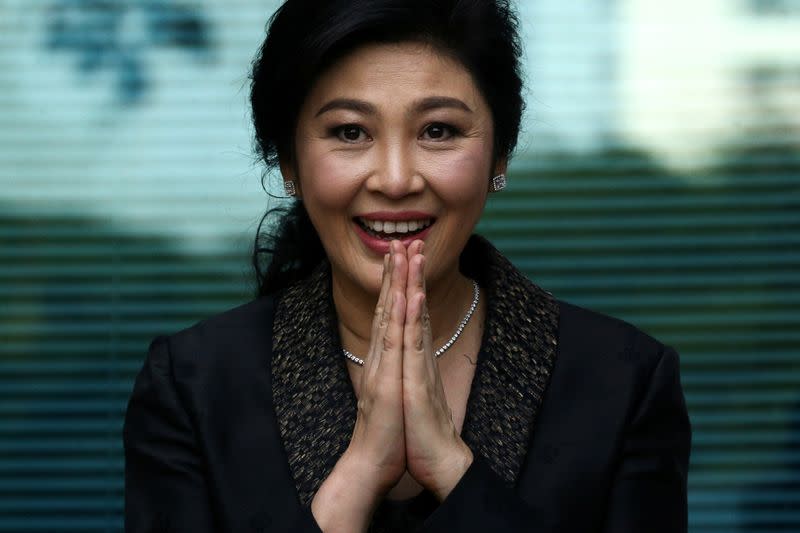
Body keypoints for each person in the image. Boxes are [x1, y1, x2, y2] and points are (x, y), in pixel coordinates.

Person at [123, 0, 691, 531]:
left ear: (500, 154)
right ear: (289, 160)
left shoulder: (624, 381)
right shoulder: (192, 386)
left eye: (437, 131)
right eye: (350, 132)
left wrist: (450, 467)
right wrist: (360, 473)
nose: (396, 180)